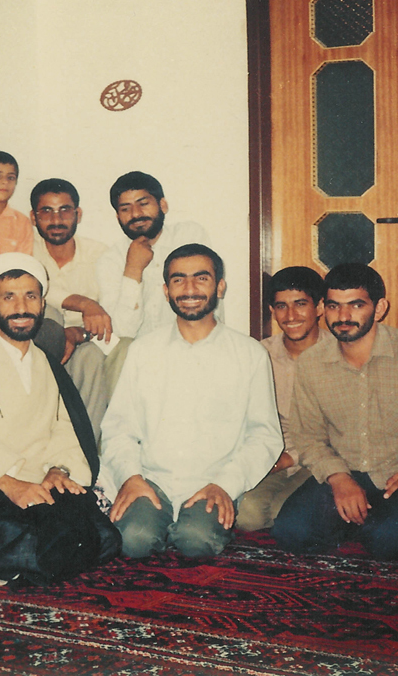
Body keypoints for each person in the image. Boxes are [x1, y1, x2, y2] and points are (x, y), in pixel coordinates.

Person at [0, 252, 121, 585]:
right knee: (37, 544)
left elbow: (64, 425)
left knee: (108, 539)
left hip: (42, 481)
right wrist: (9, 484)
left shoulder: (47, 363)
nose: (21, 307)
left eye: (30, 296)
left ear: (42, 305)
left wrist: (59, 469)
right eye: (9, 297)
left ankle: (36, 558)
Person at [271, 263, 398, 560]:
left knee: (389, 542)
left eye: (356, 305)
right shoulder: (311, 364)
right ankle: (362, 519)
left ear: (379, 308)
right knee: (290, 531)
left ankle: (379, 522)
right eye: (334, 306)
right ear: (324, 308)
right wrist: (338, 477)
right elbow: (308, 435)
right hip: (348, 471)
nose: (343, 317)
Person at [101, 244, 284, 558]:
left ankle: (192, 525)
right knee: (133, 540)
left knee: (195, 541)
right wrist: (131, 478)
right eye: (178, 280)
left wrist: (225, 485)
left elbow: (264, 436)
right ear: (166, 290)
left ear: (220, 287)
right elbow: (119, 428)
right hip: (152, 480)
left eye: (201, 278)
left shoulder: (249, 354)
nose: (189, 289)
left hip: (212, 482)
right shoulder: (144, 350)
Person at [236, 266, 332, 531]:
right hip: (273, 455)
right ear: (272, 310)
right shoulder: (260, 355)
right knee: (247, 515)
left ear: (319, 307)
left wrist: (289, 459)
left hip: (323, 455)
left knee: (285, 514)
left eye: (300, 304)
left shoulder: (338, 354)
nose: (291, 316)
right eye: (281, 306)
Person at [30, 177, 114, 437]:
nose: (56, 220)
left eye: (64, 210)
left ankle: (85, 449)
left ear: (78, 214)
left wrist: (77, 334)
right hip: (37, 346)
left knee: (93, 357)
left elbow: (110, 318)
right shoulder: (26, 253)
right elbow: (38, 292)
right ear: (33, 217)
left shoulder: (101, 256)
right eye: (46, 211)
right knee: (48, 315)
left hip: (84, 345)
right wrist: (85, 303)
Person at [95, 171, 212, 341]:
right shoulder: (111, 260)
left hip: (194, 343)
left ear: (163, 205)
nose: (136, 214)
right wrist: (133, 270)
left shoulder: (188, 236)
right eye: (125, 209)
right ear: (117, 216)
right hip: (139, 351)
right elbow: (122, 332)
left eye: (143, 204)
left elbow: (208, 306)